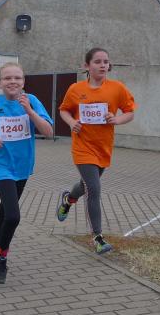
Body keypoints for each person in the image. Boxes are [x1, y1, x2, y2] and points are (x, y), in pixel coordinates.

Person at [0, 62, 54, 284]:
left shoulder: (32, 101)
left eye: (17, 78)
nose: (13, 81)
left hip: (22, 166)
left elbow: (48, 132)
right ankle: (1, 255)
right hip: (0, 165)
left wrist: (29, 111)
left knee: (5, 211)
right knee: (13, 216)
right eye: (7, 78)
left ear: (23, 82)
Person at [56, 48, 136, 254]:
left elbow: (129, 112)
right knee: (94, 188)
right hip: (82, 147)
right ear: (87, 65)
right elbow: (64, 110)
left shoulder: (117, 88)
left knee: (86, 186)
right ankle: (98, 237)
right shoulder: (76, 89)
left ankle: (69, 199)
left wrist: (116, 119)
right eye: (98, 61)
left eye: (106, 62)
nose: (103, 65)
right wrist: (72, 122)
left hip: (103, 147)